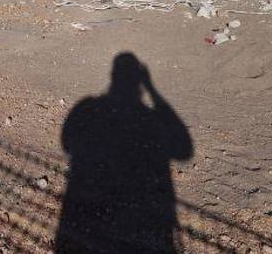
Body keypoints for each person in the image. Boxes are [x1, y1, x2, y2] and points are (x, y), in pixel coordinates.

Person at [55, 52, 193, 253]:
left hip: (91, 204)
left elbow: (66, 144)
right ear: (139, 82)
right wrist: (152, 90)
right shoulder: (149, 118)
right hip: (141, 213)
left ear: (112, 75)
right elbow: (184, 151)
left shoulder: (88, 107)